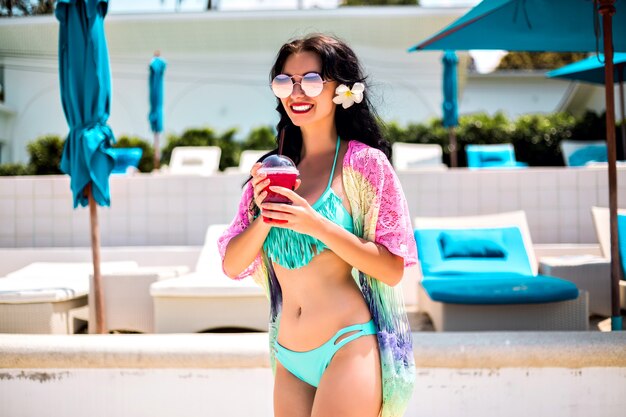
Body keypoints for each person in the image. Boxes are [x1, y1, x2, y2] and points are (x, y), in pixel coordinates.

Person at [218, 34, 417, 417]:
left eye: (310, 80)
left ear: (341, 90)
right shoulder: (272, 168)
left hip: (347, 343)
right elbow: (232, 264)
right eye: (284, 81)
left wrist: (317, 225)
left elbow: (392, 269)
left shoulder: (365, 165)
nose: (296, 92)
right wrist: (263, 217)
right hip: (289, 354)